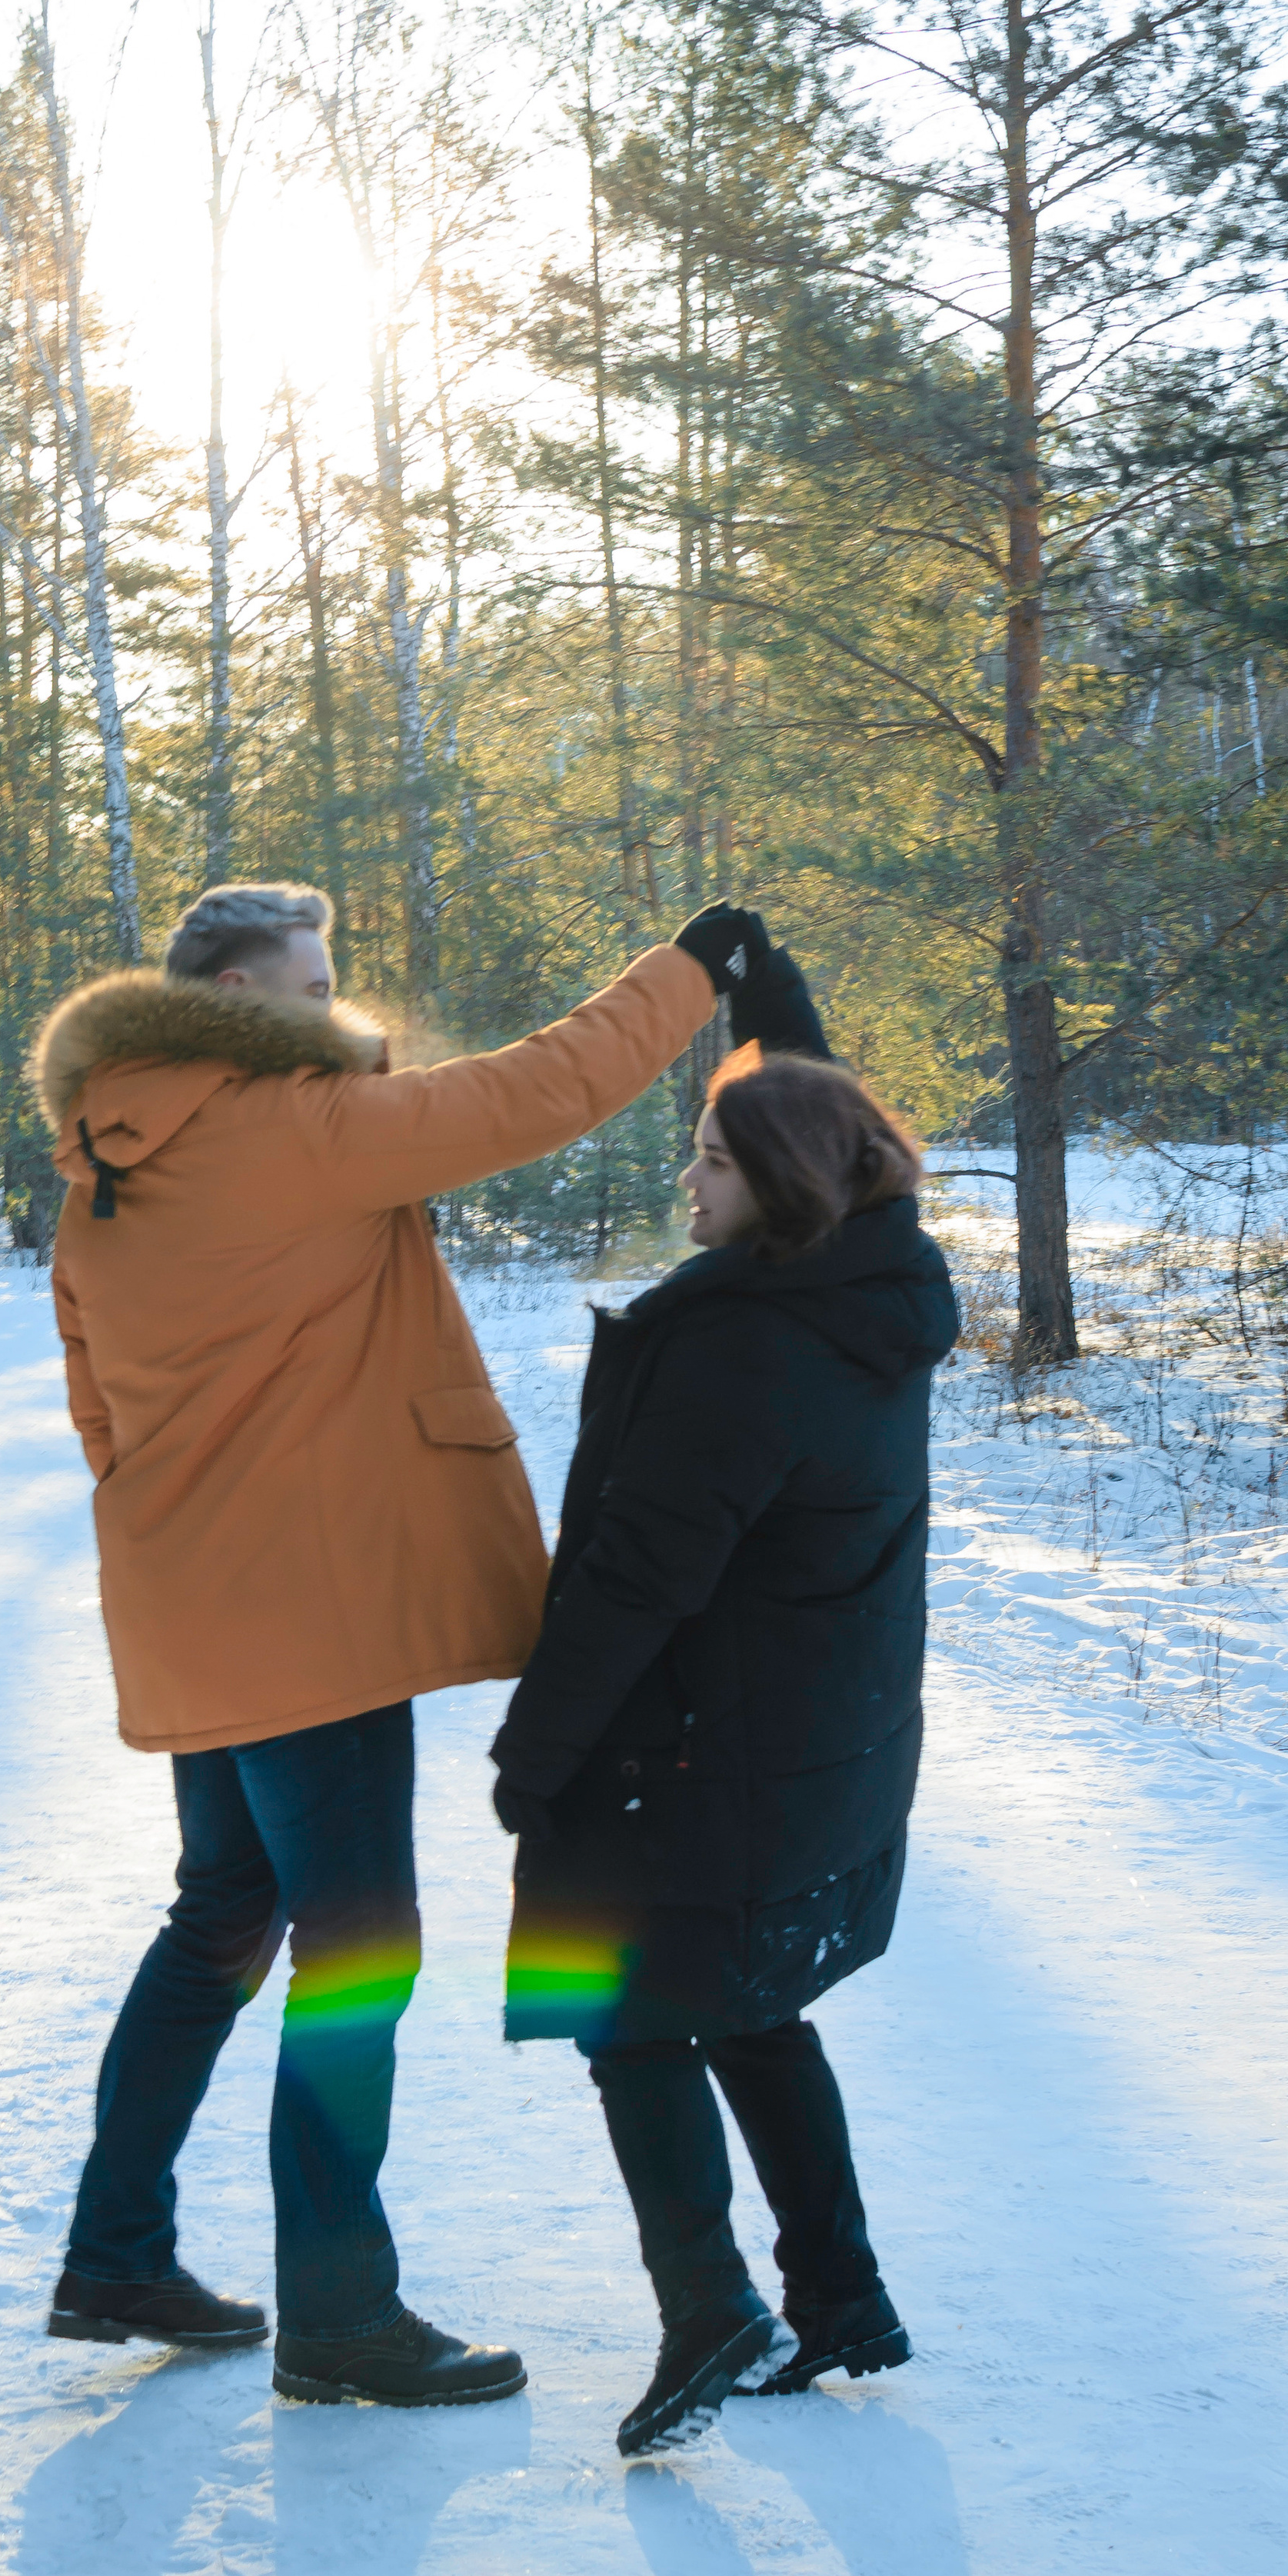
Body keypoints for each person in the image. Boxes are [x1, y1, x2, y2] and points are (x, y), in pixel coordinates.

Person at [32, 879, 748, 2407]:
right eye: (308, 983)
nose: (333, 1009)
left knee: (222, 1913)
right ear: (228, 993)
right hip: (312, 1621)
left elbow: (97, 1416)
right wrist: (687, 969)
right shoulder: (292, 1123)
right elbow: (541, 1087)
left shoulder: (100, 1164)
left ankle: (115, 2250)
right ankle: (339, 2310)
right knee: (356, 1950)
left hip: (194, 1608)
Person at [489, 931, 959, 2455]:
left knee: (623, 2017)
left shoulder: (744, 1351)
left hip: (703, 1754)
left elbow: (636, 1577)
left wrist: (533, 1752)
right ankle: (841, 2298)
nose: (683, 1181)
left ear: (778, 1181)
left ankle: (710, 2311)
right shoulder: (863, 1287)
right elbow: (800, 1096)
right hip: (809, 1752)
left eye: (706, 1159)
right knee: (751, 2013)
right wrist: (754, 994)